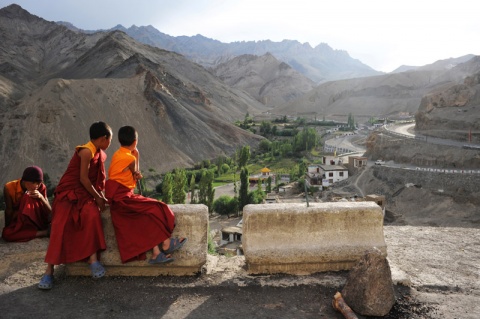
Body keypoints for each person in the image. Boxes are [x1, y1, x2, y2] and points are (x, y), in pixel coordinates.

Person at [38, 121, 113, 290]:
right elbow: (83, 179)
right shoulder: (86, 151)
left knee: (92, 215)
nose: (110, 144)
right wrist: (99, 198)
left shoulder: (100, 154)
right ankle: (49, 271)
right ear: (103, 138)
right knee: (59, 224)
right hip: (69, 193)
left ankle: (93, 261)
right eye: (110, 140)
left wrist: (100, 196)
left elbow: (97, 180)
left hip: (85, 194)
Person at [105, 125, 186, 264]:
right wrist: (137, 155)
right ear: (135, 142)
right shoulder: (129, 158)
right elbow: (137, 175)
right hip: (123, 199)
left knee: (147, 214)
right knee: (157, 207)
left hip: (119, 199)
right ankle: (166, 244)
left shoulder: (118, 154)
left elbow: (132, 174)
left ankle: (157, 253)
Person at [2, 166, 52, 242]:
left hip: (37, 221)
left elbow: (50, 211)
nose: (37, 186)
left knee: (28, 196)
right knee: (6, 234)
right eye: (34, 183)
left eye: (39, 183)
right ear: (25, 181)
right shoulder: (9, 187)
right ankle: (43, 233)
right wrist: (8, 227)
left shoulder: (41, 187)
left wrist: (41, 197)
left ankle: (37, 231)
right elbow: (9, 210)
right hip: (21, 222)